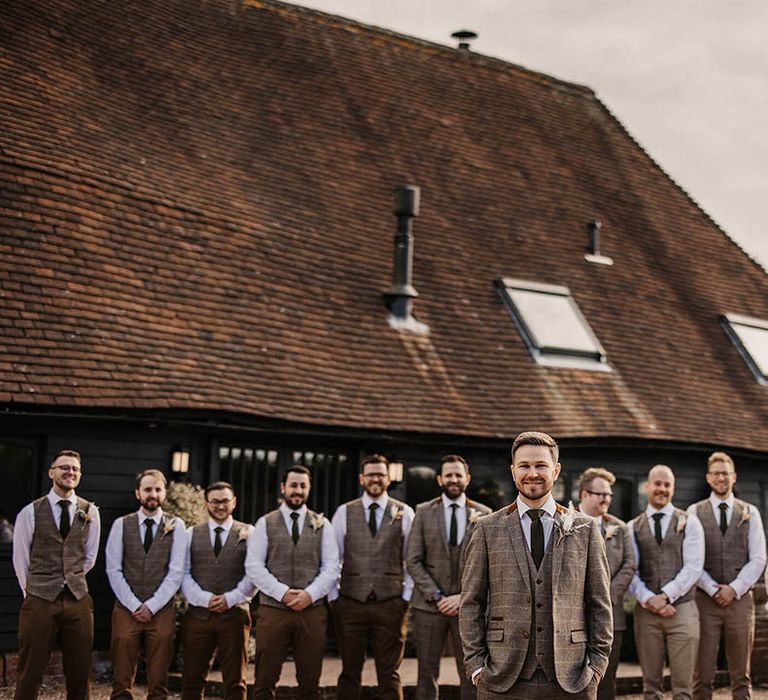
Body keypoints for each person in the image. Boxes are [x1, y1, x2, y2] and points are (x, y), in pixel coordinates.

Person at [460, 431, 612, 700]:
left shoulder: (586, 529)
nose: (533, 473)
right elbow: (471, 601)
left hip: (572, 677)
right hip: (502, 678)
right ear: (513, 471)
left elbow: (600, 602)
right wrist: (476, 667)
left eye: (541, 465)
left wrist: (596, 667)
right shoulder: (487, 529)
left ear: (556, 470)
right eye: (525, 466)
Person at [12, 449, 101, 700]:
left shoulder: (90, 511)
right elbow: (21, 559)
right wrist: (33, 592)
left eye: (74, 468)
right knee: (30, 669)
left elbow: (89, 557)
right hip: (39, 598)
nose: (69, 472)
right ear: (51, 472)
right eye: (64, 467)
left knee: (80, 669)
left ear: (80, 475)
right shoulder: (30, 512)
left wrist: (70, 578)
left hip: (78, 599)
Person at [245, 466, 339, 700]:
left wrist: (309, 595)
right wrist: (283, 593)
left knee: (310, 682)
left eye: (302, 486)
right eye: (293, 485)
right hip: (274, 610)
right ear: (283, 487)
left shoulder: (322, 524)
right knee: (265, 680)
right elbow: (254, 566)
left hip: (312, 611)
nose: (298, 490)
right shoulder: (265, 523)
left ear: (308, 489)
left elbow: (331, 567)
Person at [406, 454, 491, 700]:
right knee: (426, 673)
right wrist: (437, 596)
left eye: (458, 475)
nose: (454, 479)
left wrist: (462, 597)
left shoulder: (484, 514)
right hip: (428, 606)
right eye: (449, 475)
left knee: (471, 672)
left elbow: (488, 565)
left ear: (467, 478)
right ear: (440, 479)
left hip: (469, 608)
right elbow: (413, 559)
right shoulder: (423, 512)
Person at [330, 454, 415, 700]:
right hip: (351, 602)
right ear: (362, 478)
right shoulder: (344, 512)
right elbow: (332, 558)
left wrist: (405, 597)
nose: (375, 478)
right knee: (349, 671)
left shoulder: (404, 513)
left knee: (389, 673)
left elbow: (411, 558)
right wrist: (335, 597)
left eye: (380, 474)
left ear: (389, 478)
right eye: (371, 474)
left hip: (390, 602)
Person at [688, 452, 766, 700]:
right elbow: (691, 559)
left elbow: (759, 558)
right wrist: (712, 588)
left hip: (741, 601)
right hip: (704, 601)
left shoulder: (750, 512)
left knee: (741, 674)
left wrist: (735, 588)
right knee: (702, 673)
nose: (721, 477)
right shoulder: (694, 511)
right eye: (716, 473)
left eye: (726, 473)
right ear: (708, 478)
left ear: (734, 477)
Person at [105, 469, 188, 700]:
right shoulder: (121, 525)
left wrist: (152, 605)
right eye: (148, 489)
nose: (153, 494)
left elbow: (176, 571)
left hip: (161, 608)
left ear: (164, 493)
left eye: (158, 489)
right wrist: (133, 604)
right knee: (121, 670)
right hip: (126, 607)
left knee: (160, 673)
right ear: (138, 493)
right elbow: (113, 569)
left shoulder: (177, 525)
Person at [628, 464, 704, 700]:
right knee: (651, 685)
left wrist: (665, 596)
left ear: (673, 488)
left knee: (683, 687)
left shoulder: (690, 522)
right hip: (646, 613)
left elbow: (693, 566)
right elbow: (631, 570)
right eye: (657, 483)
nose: (662, 488)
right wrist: (648, 599)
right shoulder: (632, 527)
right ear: (647, 486)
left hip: (682, 610)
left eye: (667, 484)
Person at [181, 482, 256, 700]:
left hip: (234, 614)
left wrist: (231, 598)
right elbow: (182, 573)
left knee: (235, 682)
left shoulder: (249, 532)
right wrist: (204, 599)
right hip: (198, 616)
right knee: (192, 680)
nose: (220, 506)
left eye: (225, 501)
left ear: (234, 502)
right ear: (206, 504)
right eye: (215, 501)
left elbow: (254, 573)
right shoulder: (190, 534)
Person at [577, 468, 635, 700]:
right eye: (599, 494)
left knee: (606, 678)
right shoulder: (563, 521)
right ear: (584, 495)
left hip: (612, 616)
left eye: (608, 495)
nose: (605, 499)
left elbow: (630, 564)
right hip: (574, 617)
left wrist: (606, 596)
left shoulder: (620, 528)